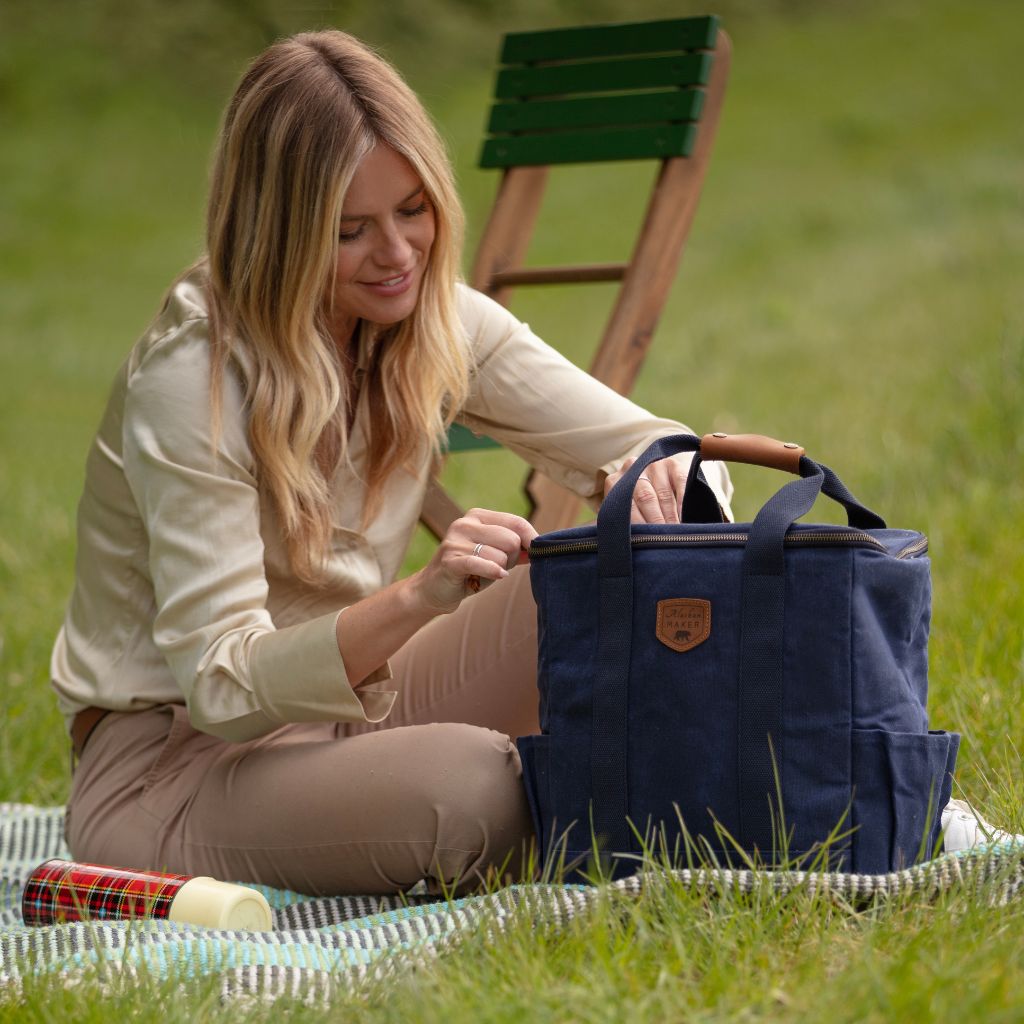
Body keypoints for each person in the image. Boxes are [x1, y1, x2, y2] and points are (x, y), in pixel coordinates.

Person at [52, 30, 1017, 899]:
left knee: (624, 566)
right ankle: (681, 805)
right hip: (176, 768)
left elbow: (656, 439)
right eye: (349, 231)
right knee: (479, 793)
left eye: (414, 210)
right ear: (277, 230)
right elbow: (222, 684)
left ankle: (830, 791)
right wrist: (421, 597)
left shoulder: (429, 318)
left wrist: (655, 477)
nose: (397, 253)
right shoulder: (195, 381)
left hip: (357, 707)